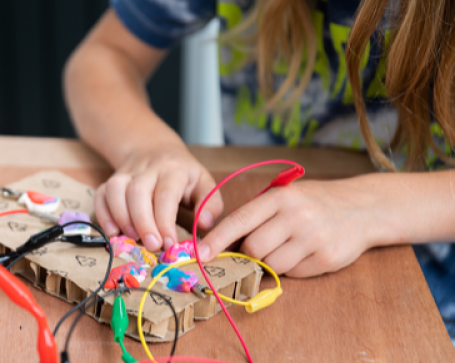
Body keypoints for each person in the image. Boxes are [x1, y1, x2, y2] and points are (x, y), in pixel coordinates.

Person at [63, 0, 455, 333]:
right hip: (259, 289)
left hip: (432, 311)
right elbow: (103, 57)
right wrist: (146, 145)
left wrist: (370, 208)